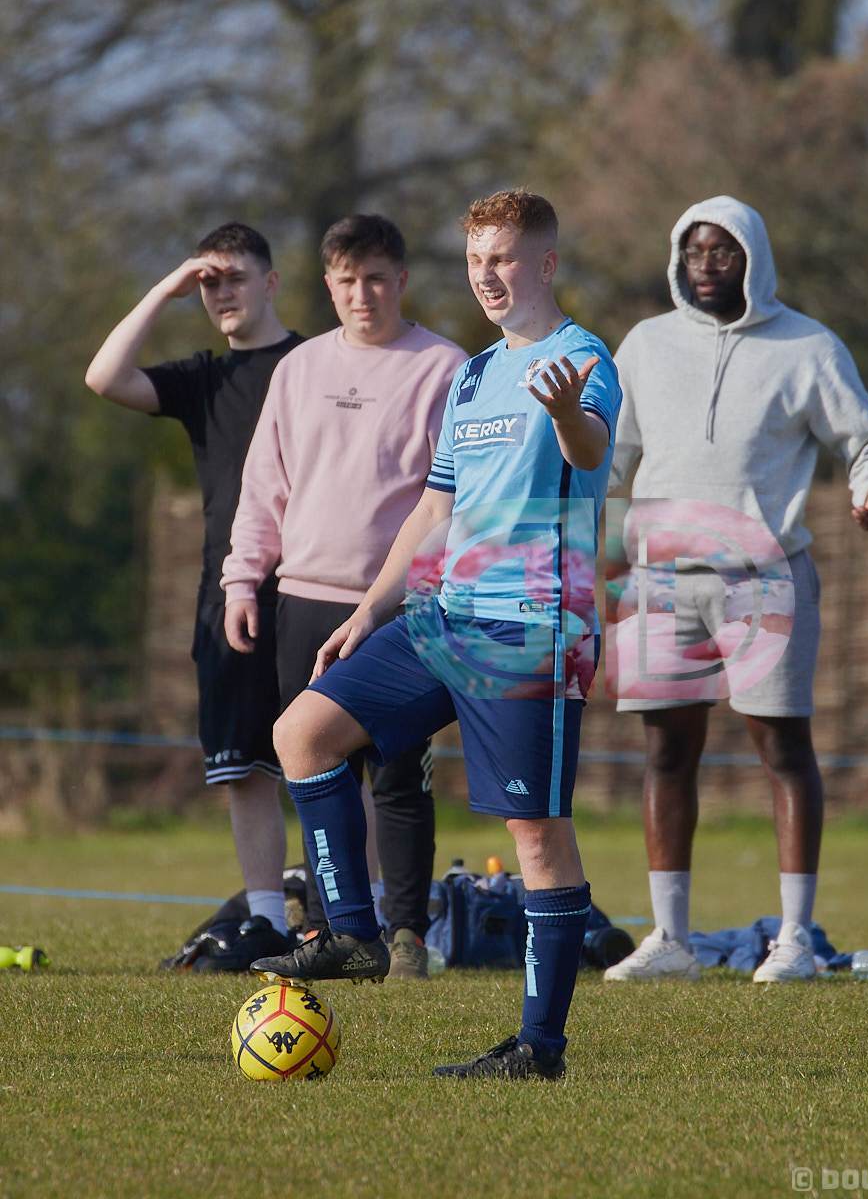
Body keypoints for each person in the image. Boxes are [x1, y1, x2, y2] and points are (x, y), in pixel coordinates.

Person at [252, 189, 621, 1080]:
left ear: (544, 264)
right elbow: (434, 509)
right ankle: (353, 937)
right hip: (443, 616)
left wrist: (566, 413)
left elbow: (590, 448)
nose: (486, 276)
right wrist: (370, 609)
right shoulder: (475, 374)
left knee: (536, 836)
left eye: (503, 258)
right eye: (475, 260)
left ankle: (538, 1048)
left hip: (531, 625)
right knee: (302, 733)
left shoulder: (583, 357)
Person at [602, 196, 868, 985]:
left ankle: (795, 939)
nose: (707, 265)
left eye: (724, 252)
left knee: (782, 748)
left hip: (764, 578)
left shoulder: (808, 346)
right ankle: (671, 940)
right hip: (659, 578)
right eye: (694, 251)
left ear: (753, 259)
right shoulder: (644, 345)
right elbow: (609, 457)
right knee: (666, 751)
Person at [222, 214, 466, 979]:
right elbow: (264, 485)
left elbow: (450, 503)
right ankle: (333, 930)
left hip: (399, 606)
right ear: (328, 286)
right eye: (348, 281)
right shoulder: (299, 368)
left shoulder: (446, 367)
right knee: (314, 766)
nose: (364, 295)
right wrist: (242, 578)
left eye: (378, 279)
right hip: (304, 594)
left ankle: (408, 934)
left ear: (403, 281)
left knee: (400, 780)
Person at [84, 222, 303, 969]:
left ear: (271, 281)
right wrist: (165, 288)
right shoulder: (205, 379)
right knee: (245, 767)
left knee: (338, 761)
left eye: (235, 277)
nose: (221, 294)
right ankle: (267, 921)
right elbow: (104, 378)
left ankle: (354, 915)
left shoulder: (315, 364)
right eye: (209, 283)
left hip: (317, 585)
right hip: (228, 596)